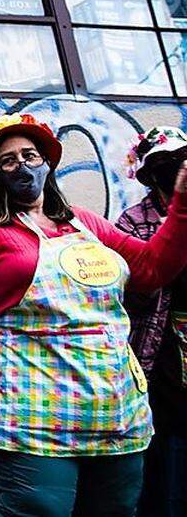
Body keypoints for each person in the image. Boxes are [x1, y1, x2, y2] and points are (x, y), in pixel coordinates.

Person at [0, 113, 187, 517]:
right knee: (38, 509)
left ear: (47, 163)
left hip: (111, 397)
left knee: (115, 509)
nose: (22, 166)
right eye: (8, 160)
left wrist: (181, 209)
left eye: (31, 155)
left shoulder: (85, 223)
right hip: (32, 393)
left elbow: (151, 270)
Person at [117, 126, 187, 517]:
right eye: (163, 163)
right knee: (163, 465)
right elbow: (132, 292)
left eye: (179, 160)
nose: (174, 169)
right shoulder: (134, 222)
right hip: (159, 358)